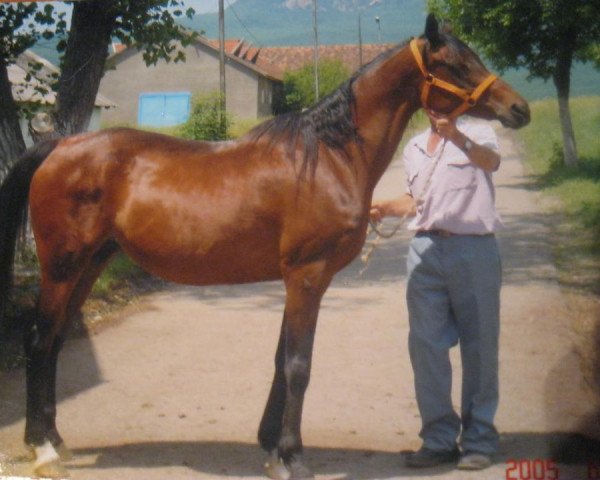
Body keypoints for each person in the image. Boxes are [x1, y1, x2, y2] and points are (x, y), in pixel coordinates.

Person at [370, 110, 502, 470]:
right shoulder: (414, 146)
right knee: (425, 346)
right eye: (431, 99)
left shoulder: (479, 132)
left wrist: (457, 137)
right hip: (425, 250)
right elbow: (417, 200)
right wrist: (383, 206)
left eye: (445, 98)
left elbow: (491, 162)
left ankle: (478, 440)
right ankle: (439, 439)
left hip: (473, 249)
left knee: (480, 347)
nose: (437, 106)